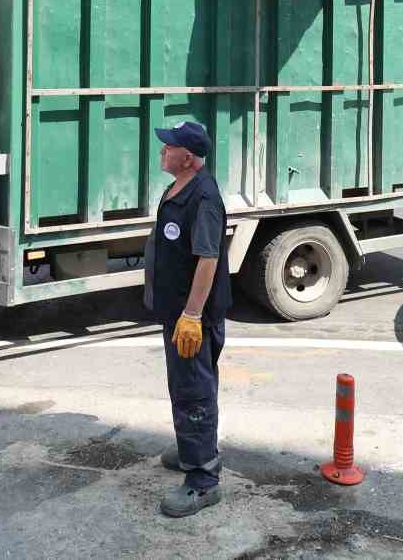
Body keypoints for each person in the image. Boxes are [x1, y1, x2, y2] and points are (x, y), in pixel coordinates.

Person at [144, 119, 231, 518]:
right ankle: (193, 448)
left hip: (191, 318)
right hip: (175, 312)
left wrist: (193, 315)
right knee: (185, 386)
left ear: (189, 158)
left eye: (169, 147)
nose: (162, 150)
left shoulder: (204, 197)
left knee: (193, 391)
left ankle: (202, 480)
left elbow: (208, 258)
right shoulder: (178, 187)